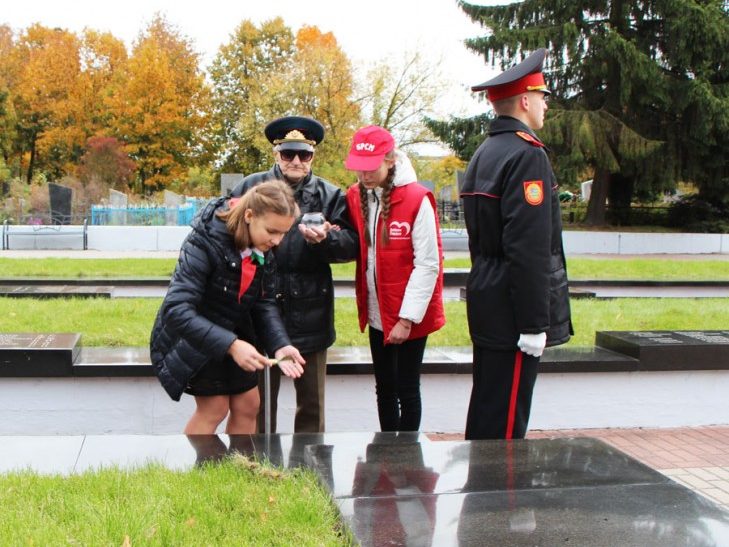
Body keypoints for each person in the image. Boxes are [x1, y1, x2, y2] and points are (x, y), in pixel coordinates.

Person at [460, 48, 572, 440]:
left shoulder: (485, 152)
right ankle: (497, 501)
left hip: (490, 296)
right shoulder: (527, 156)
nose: (545, 105)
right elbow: (528, 248)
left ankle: (483, 496)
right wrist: (533, 323)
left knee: (489, 407)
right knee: (505, 425)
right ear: (525, 100)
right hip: (512, 309)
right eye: (542, 96)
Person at [230, 115, 358, 433]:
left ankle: (310, 471)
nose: (296, 161)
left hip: (310, 311)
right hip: (259, 307)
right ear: (276, 154)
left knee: (312, 406)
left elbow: (352, 245)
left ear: (313, 156)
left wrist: (326, 240)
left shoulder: (330, 195)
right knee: (259, 404)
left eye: (304, 155)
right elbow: (227, 233)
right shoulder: (250, 187)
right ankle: (262, 467)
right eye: (288, 154)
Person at [150, 180, 305, 434]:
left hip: (236, 330)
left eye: (284, 233)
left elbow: (263, 301)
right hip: (196, 335)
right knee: (215, 408)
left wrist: (279, 343)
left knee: (249, 404)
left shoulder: (263, 244)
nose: (277, 241)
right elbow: (176, 308)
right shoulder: (205, 240)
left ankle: (239, 469)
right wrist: (231, 345)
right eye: (272, 231)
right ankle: (202, 472)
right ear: (249, 215)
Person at [344, 125, 445, 432]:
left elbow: (428, 263)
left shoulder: (417, 199)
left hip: (407, 314)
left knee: (406, 387)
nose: (364, 175)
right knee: (384, 388)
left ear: (390, 160)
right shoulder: (356, 196)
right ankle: (388, 456)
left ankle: (408, 457)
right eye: (358, 168)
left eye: (370, 166)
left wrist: (406, 318)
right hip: (378, 311)